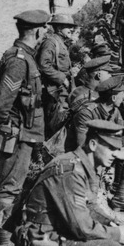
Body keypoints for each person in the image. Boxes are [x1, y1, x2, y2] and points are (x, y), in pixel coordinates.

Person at [0, 9, 49, 246]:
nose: (45, 33)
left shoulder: (25, 57)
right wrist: (3, 130)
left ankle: (9, 233)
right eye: (44, 30)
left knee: (15, 184)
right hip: (16, 132)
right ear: (37, 30)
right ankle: (3, 242)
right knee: (10, 187)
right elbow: (2, 101)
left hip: (23, 131)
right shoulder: (18, 61)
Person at [68, 76, 124, 213]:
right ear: (113, 98)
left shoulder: (113, 111)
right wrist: (115, 153)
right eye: (122, 94)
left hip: (100, 152)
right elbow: (81, 145)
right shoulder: (87, 112)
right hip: (82, 158)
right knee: (92, 199)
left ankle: (119, 196)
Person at [37, 14, 75, 147]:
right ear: (59, 28)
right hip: (53, 90)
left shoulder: (60, 43)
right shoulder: (51, 43)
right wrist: (62, 78)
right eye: (68, 27)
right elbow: (43, 65)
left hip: (60, 89)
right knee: (54, 121)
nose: (72, 30)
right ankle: (46, 151)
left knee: (59, 119)